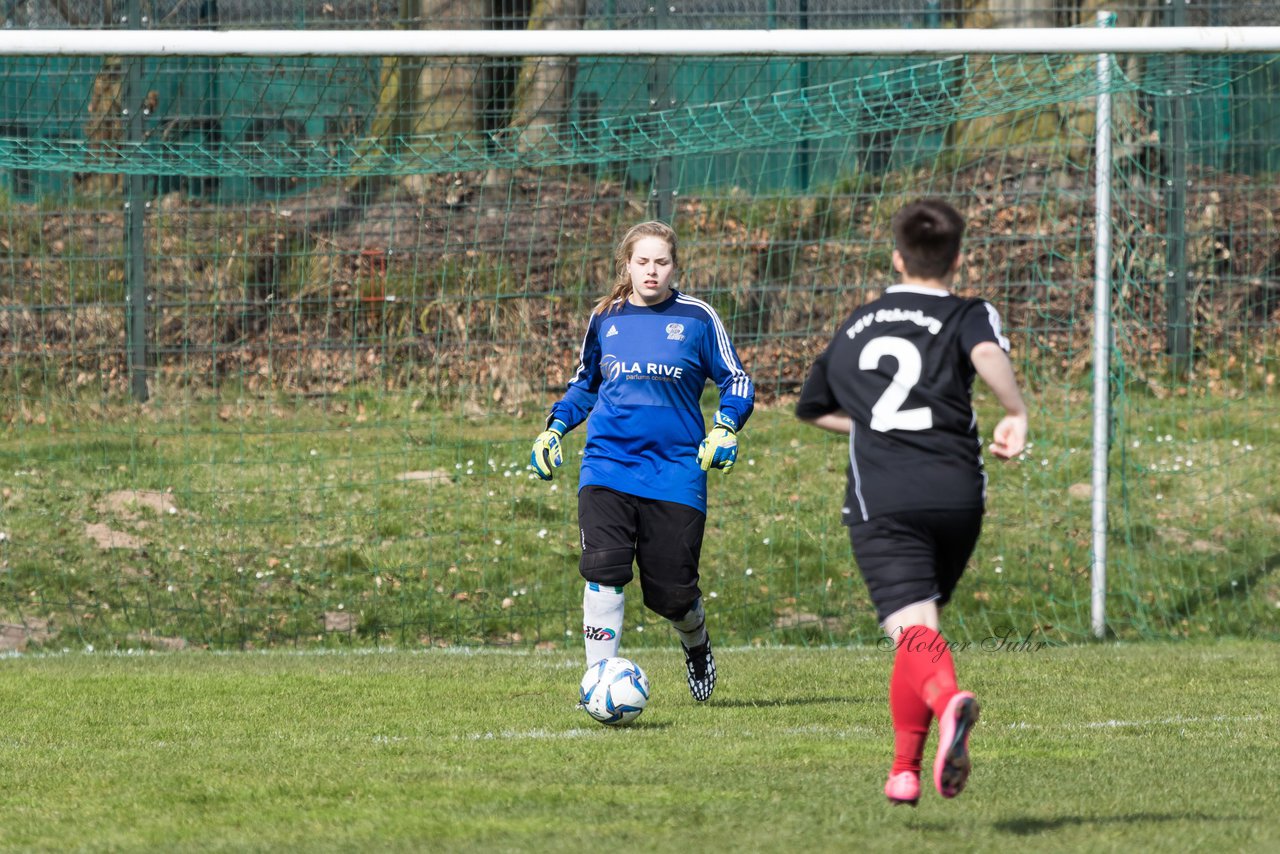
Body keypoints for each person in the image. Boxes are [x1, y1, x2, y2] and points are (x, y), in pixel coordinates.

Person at [795, 198, 1028, 806]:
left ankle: (950, 701)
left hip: (887, 498)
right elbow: (984, 355)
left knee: (914, 631)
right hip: (957, 495)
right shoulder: (968, 312)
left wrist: (875, 427)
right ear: (956, 259)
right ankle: (904, 771)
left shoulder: (856, 324)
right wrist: (1015, 410)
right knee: (919, 629)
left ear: (897, 257)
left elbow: (813, 407)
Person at [530, 220, 754, 704]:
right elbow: (585, 383)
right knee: (604, 569)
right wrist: (554, 427)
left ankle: (695, 643)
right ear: (626, 265)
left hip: (675, 470)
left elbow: (736, 380)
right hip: (607, 463)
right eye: (642, 261)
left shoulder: (697, 318)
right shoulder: (606, 318)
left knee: (671, 595)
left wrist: (725, 427)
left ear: (675, 266)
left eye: (662, 262)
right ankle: (599, 684)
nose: (652, 271)